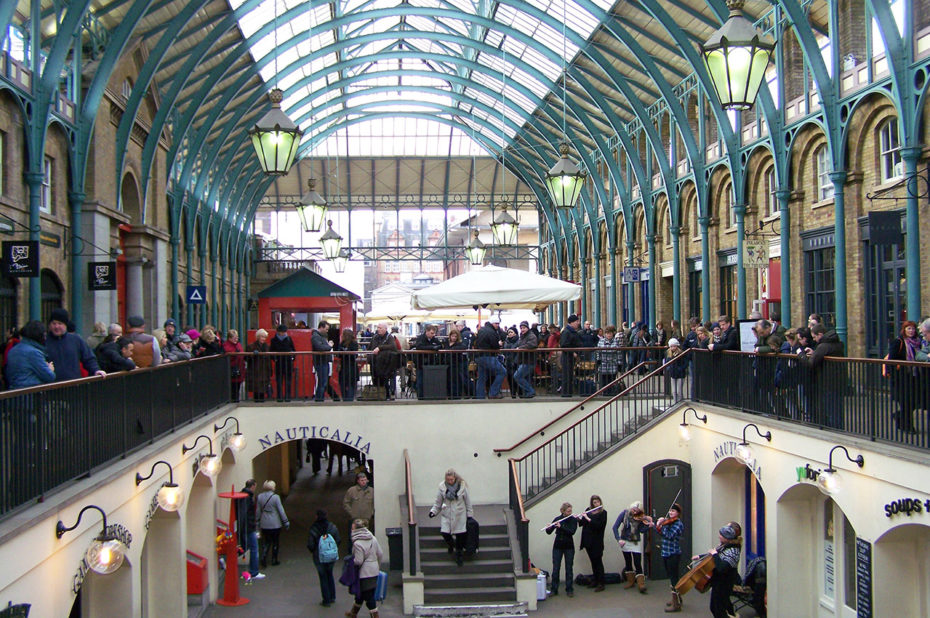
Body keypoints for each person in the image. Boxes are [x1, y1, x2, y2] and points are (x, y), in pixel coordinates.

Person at [798, 323, 845, 429]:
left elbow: (811, 363)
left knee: (831, 410)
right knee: (837, 409)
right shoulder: (837, 343)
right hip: (837, 381)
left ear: (820, 334)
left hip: (827, 382)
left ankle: (834, 431)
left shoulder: (823, 346)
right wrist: (815, 353)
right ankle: (838, 429)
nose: (814, 340)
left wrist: (801, 355)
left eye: (814, 337)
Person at [428, 469, 473, 566]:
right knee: (445, 533)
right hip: (447, 514)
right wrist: (433, 511)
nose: (450, 481)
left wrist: (469, 514)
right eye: (448, 480)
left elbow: (468, 502)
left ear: (455, 478)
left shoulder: (462, 487)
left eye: (451, 479)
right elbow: (438, 502)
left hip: (459, 514)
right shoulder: (442, 488)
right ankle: (451, 544)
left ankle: (459, 554)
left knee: (460, 535)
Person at [45, 309, 105, 381]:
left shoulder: (76, 340)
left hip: (73, 385)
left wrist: (96, 370)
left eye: (60, 323)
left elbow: (89, 358)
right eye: (54, 323)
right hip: (51, 386)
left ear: (65, 325)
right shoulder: (44, 342)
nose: (56, 326)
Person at [887, 321, 921, 433]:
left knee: (913, 403)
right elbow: (891, 360)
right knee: (905, 403)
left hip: (914, 377)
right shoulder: (898, 342)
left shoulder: (918, 342)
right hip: (901, 378)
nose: (911, 331)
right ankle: (908, 427)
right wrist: (894, 378)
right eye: (909, 329)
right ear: (904, 330)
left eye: (913, 329)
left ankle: (898, 417)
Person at [345, 518, 383, 618]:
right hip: (374, 571)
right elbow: (380, 553)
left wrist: (350, 562)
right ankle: (353, 613)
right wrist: (377, 566)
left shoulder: (357, 543)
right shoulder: (373, 538)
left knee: (368, 596)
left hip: (364, 574)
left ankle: (375, 615)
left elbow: (359, 561)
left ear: (356, 530)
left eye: (352, 528)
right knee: (360, 594)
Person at [612, 502, 652, 593]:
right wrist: (618, 539)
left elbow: (641, 530)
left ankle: (641, 584)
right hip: (625, 541)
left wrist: (648, 526)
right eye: (633, 509)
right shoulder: (624, 513)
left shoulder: (640, 517)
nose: (635, 512)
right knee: (628, 561)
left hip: (635, 541)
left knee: (637, 562)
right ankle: (630, 581)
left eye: (637, 511)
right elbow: (615, 527)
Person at [652, 502, 685, 612]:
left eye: (673, 511)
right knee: (671, 577)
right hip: (665, 553)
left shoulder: (678, 524)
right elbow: (661, 533)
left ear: (678, 513)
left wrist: (663, 524)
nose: (671, 512)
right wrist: (656, 525)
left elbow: (669, 536)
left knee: (674, 578)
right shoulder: (669, 523)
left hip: (673, 554)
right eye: (670, 510)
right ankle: (677, 598)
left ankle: (676, 605)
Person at [5, 320, 56, 389]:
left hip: (14, 392)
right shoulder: (34, 353)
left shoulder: (13, 350)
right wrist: (50, 369)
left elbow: (9, 374)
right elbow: (49, 376)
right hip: (30, 394)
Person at [705, 522, 742, 618]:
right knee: (714, 607)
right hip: (718, 582)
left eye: (721, 535)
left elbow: (721, 568)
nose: (719, 536)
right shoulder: (724, 545)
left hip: (724, 583)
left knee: (719, 610)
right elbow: (715, 554)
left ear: (727, 538)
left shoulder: (733, 551)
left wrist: (715, 554)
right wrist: (700, 557)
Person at [307, 509, 340, 607]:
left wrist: (314, 551)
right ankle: (332, 596)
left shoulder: (314, 528)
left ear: (317, 516)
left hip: (319, 556)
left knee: (323, 577)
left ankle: (326, 599)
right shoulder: (332, 527)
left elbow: (310, 544)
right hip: (331, 555)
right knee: (330, 574)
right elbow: (338, 540)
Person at [544, 502, 577, 597]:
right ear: (563, 511)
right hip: (558, 546)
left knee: (569, 568)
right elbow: (549, 532)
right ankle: (554, 589)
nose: (570, 512)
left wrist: (561, 527)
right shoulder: (557, 519)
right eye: (568, 511)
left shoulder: (573, 520)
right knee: (556, 568)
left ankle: (569, 589)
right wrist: (548, 527)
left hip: (569, 546)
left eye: (571, 511)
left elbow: (572, 531)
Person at [236, 479, 265, 581]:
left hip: (246, 527)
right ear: (252, 486)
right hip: (249, 527)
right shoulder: (247, 498)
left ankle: (227, 561)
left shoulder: (242, 495)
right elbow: (245, 514)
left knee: (244, 547)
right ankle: (254, 572)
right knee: (253, 549)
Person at [256, 480, 289, 567]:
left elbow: (258, 510)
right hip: (275, 523)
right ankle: (274, 559)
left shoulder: (260, 497)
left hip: (264, 523)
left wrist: (257, 521)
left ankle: (263, 556)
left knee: (266, 541)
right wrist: (285, 521)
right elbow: (280, 510)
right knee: (275, 542)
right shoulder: (275, 497)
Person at [578, 495, 608, 592]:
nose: (596, 504)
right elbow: (582, 523)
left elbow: (599, 526)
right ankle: (595, 580)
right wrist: (579, 518)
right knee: (593, 561)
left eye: (597, 502)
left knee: (598, 561)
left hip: (597, 541)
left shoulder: (603, 513)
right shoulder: (588, 510)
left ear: (600, 502)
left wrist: (588, 518)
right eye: (594, 502)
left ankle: (601, 583)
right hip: (588, 540)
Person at [474, 317, 506, 399]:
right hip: (488, 356)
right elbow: (495, 346)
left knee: (482, 378)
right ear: (493, 323)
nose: (498, 326)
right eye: (497, 324)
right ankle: (493, 393)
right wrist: (499, 344)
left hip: (479, 356)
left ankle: (479, 396)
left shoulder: (481, 330)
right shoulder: (492, 332)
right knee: (502, 371)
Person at [368, 323, 399, 400]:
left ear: (385, 329)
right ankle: (378, 395)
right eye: (378, 327)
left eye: (380, 328)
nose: (378, 329)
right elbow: (370, 348)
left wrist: (380, 348)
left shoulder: (390, 337)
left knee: (384, 380)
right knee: (375, 379)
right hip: (375, 362)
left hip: (385, 364)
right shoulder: (374, 337)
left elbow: (393, 347)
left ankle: (386, 395)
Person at [412, 324, 442, 399]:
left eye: (434, 333)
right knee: (420, 380)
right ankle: (421, 397)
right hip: (421, 363)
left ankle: (429, 395)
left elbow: (440, 345)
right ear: (427, 332)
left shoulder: (434, 339)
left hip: (431, 363)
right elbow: (419, 347)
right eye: (432, 333)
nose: (433, 335)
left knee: (430, 380)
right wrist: (432, 347)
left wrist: (437, 347)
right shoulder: (420, 338)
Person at [343, 472, 375, 543]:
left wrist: (371, 513)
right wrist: (352, 513)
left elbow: (375, 503)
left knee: (367, 538)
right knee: (354, 539)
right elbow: (346, 503)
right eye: (362, 480)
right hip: (355, 520)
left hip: (367, 520)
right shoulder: (351, 491)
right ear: (358, 481)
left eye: (365, 480)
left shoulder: (372, 491)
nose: (364, 482)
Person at [269, 324, 296, 401]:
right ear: (278, 332)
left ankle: (287, 397)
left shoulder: (288, 339)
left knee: (288, 382)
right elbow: (272, 351)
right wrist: (275, 359)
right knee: (279, 382)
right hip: (280, 363)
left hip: (287, 363)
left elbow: (293, 350)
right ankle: (280, 397)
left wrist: (292, 357)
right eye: (282, 332)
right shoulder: (275, 340)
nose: (283, 333)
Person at [512, 321, 538, 399]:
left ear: (527, 328)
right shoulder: (523, 336)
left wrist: (520, 348)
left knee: (517, 376)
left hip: (528, 361)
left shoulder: (531, 336)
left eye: (524, 328)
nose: (522, 329)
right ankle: (528, 393)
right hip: (524, 360)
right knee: (524, 377)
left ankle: (530, 391)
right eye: (521, 328)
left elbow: (532, 344)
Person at [559, 315, 582, 397]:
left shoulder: (571, 331)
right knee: (567, 376)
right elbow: (564, 345)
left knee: (569, 376)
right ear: (571, 322)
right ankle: (566, 393)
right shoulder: (566, 332)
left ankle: (568, 393)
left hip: (570, 357)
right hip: (567, 357)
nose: (578, 323)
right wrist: (573, 352)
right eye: (576, 321)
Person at [596, 325, 623, 394]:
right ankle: (604, 393)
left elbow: (619, 353)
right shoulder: (601, 341)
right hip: (603, 364)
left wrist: (619, 364)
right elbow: (598, 351)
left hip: (612, 364)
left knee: (611, 380)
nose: (609, 335)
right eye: (607, 333)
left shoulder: (616, 341)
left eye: (610, 333)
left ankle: (610, 393)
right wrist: (598, 360)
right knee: (604, 381)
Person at [246, 329, 271, 401]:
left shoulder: (267, 346)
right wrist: (252, 355)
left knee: (263, 388)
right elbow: (246, 358)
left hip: (264, 370)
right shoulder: (251, 346)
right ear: (258, 337)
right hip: (255, 370)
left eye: (265, 337)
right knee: (257, 389)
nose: (263, 339)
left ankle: (261, 401)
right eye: (262, 337)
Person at [311, 320, 333, 402]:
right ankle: (319, 399)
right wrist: (329, 346)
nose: (327, 331)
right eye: (326, 329)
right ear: (321, 327)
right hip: (320, 361)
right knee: (322, 382)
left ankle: (319, 399)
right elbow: (320, 347)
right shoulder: (316, 336)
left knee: (322, 382)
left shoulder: (319, 336)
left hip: (322, 361)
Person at [445, 329, 469, 398]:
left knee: (456, 380)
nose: (454, 338)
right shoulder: (446, 342)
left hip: (456, 364)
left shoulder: (459, 344)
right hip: (448, 363)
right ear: (450, 336)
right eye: (452, 336)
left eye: (455, 336)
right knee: (449, 380)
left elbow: (464, 347)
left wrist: (452, 349)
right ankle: (449, 394)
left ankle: (456, 395)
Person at [338, 328, 360, 402]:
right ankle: (348, 400)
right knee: (349, 385)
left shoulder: (344, 344)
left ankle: (347, 399)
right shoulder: (353, 343)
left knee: (346, 384)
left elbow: (339, 354)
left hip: (346, 366)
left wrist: (344, 353)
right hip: (350, 366)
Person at [223, 329, 245, 402]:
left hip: (239, 368)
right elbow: (227, 355)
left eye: (237, 337)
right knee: (233, 387)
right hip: (232, 369)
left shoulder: (238, 344)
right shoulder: (226, 345)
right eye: (234, 338)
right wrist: (235, 354)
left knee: (238, 386)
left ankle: (236, 399)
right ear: (229, 338)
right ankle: (233, 400)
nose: (236, 339)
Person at [664, 338, 688, 402]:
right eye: (671, 346)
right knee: (674, 391)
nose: (673, 348)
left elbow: (685, 363)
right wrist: (669, 368)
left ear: (677, 346)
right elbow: (666, 362)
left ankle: (680, 402)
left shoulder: (681, 353)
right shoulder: (668, 353)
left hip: (680, 374)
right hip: (673, 373)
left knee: (679, 391)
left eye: (674, 346)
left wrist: (681, 368)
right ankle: (675, 402)